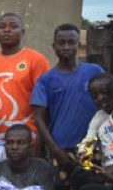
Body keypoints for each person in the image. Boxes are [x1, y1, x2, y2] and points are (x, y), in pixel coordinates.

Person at [31, 24, 104, 166]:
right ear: (54, 46)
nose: (66, 47)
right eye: (61, 43)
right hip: (62, 149)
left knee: (91, 186)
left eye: (71, 43)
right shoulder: (45, 80)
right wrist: (55, 150)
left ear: (80, 44)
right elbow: (39, 119)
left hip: (94, 146)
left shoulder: (95, 72)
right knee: (62, 187)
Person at [0, 12, 50, 140]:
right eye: (2, 27)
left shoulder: (36, 60)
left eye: (13, 26)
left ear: (22, 31)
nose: (7, 30)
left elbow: (44, 106)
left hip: (27, 139)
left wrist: (40, 142)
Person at [85, 71, 113, 140]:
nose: (100, 98)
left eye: (104, 92)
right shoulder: (99, 118)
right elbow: (89, 139)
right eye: (95, 96)